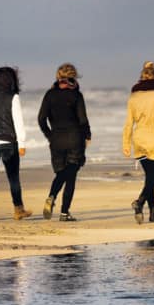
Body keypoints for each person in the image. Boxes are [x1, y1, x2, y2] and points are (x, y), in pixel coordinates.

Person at [37, 63, 91, 222]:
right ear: (73, 77)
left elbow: (41, 119)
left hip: (57, 140)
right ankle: (64, 213)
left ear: (58, 76)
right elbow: (82, 119)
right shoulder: (76, 95)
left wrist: (49, 135)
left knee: (61, 173)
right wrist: (87, 135)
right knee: (71, 175)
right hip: (74, 138)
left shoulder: (49, 95)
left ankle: (52, 196)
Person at [0, 66, 32, 221]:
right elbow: (18, 121)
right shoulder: (13, 97)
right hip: (8, 143)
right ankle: (18, 210)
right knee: (13, 178)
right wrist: (21, 143)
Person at [122, 61, 154, 223]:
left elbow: (129, 123)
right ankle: (139, 202)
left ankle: (153, 213)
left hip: (139, 139)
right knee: (153, 179)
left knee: (149, 176)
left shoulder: (133, 97)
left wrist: (126, 144)